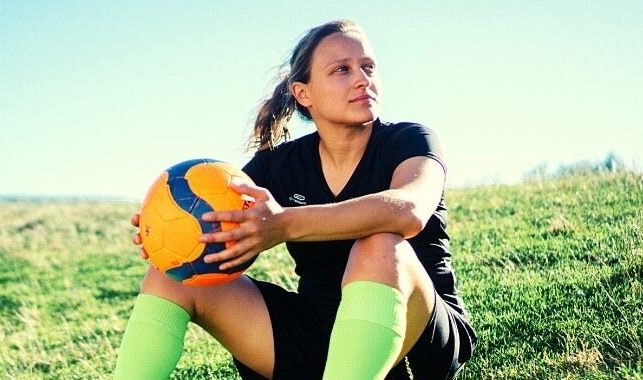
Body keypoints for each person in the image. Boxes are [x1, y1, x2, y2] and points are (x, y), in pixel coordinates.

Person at [113, 19, 476, 380]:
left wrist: (283, 224)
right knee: (171, 276)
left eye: (368, 67)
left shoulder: (411, 140)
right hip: (318, 335)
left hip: (413, 333)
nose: (363, 79)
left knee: (380, 246)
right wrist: (168, 234)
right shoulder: (279, 164)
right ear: (304, 93)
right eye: (342, 70)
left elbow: (409, 210)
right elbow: (225, 224)